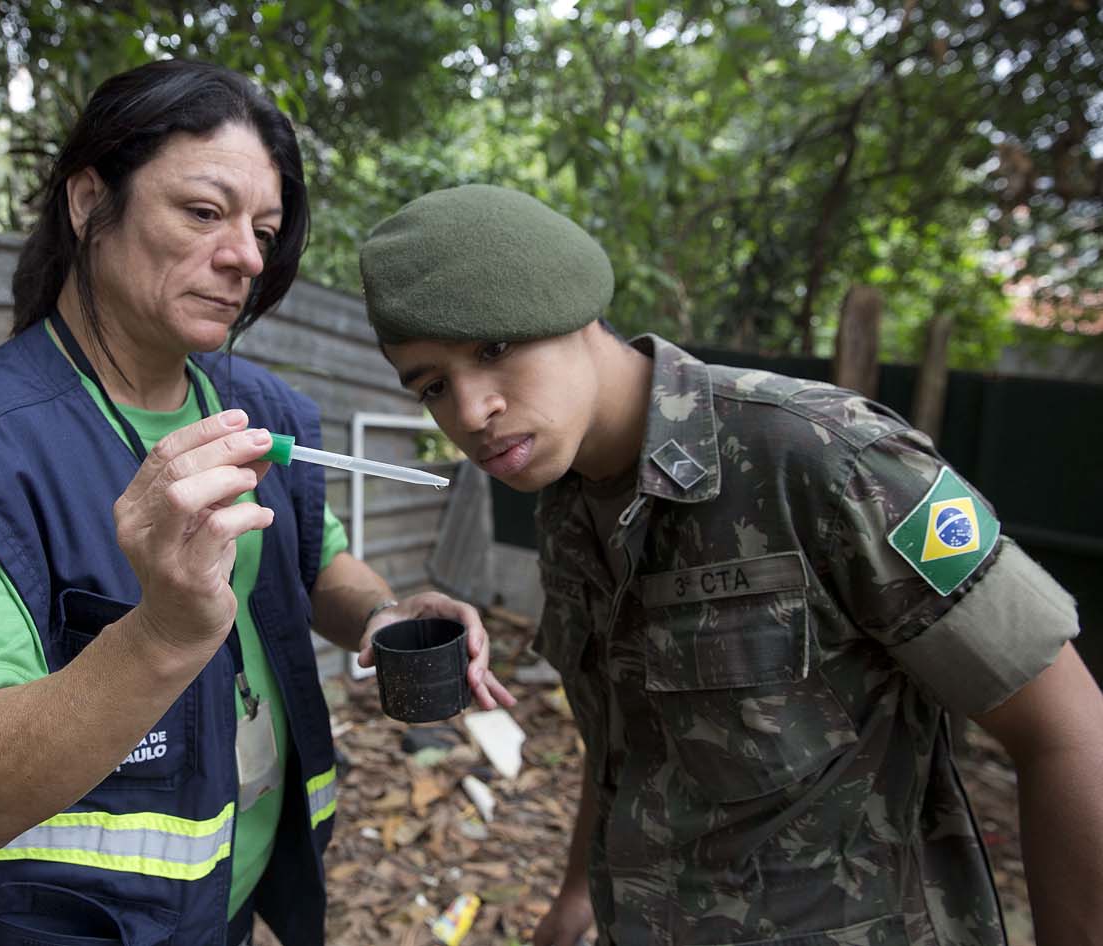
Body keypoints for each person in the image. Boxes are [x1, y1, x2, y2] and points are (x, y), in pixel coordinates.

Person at [0, 63, 513, 946]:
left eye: (264, 230)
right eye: (203, 212)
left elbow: (313, 563)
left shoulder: (259, 412)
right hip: (49, 926)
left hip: (222, 900)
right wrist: (161, 632)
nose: (245, 257)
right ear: (89, 201)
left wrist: (383, 615)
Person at [358, 183, 1103, 946]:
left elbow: (1068, 730)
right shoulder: (567, 499)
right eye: (435, 387)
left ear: (572, 304)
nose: (471, 411)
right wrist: (580, 894)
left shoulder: (821, 457)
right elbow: (629, 737)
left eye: (493, 348)